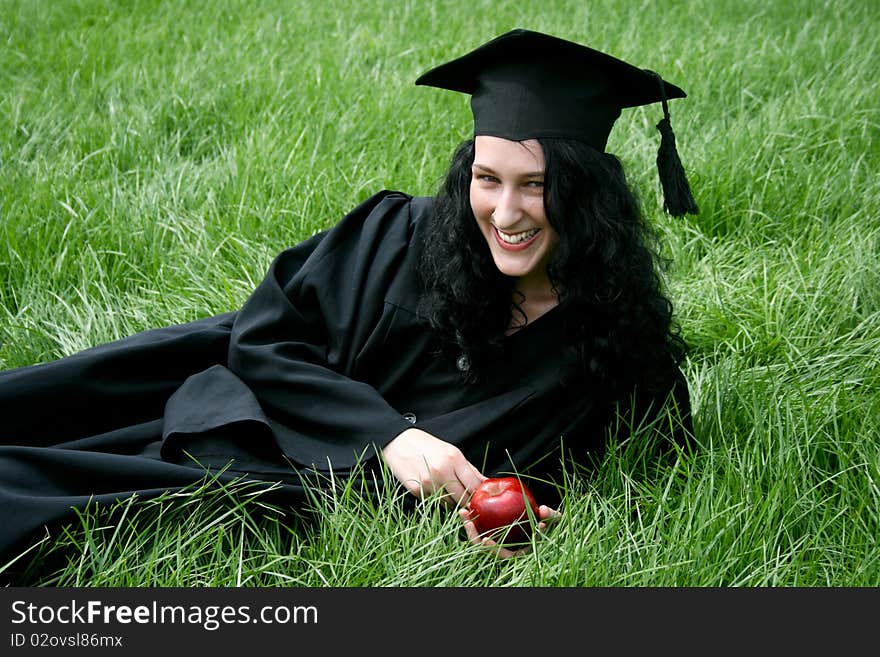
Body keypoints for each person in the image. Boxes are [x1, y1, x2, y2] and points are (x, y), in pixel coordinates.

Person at [0, 29, 697, 566]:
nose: (505, 212)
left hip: (301, 495)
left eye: (536, 185)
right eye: (488, 178)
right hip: (250, 414)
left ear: (587, 195)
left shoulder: (615, 342)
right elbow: (263, 340)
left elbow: (639, 476)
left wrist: (539, 523)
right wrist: (389, 434)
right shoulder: (399, 235)